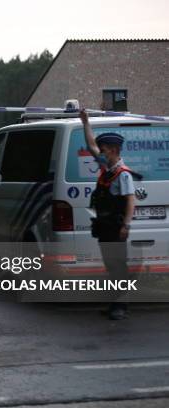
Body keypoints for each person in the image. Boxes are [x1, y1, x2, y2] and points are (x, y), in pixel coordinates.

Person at [79, 110, 139, 320]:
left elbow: (131, 201)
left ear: (113, 150)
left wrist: (126, 225)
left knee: (118, 266)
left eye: (104, 150)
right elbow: (92, 147)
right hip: (104, 225)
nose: (100, 153)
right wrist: (85, 123)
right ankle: (115, 303)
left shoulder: (123, 174)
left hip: (116, 226)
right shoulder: (107, 168)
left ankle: (121, 306)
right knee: (111, 266)